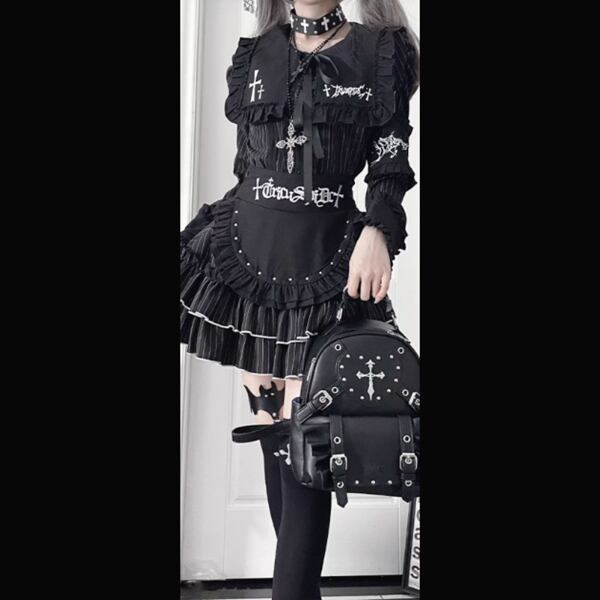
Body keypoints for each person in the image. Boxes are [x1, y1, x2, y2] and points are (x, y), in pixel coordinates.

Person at [180, 1, 419, 597]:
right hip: (246, 265)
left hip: (326, 264)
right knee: (276, 438)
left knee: (309, 441)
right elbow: (248, 165)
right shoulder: (257, 51)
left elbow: (390, 164)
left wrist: (379, 231)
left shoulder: (381, 51)